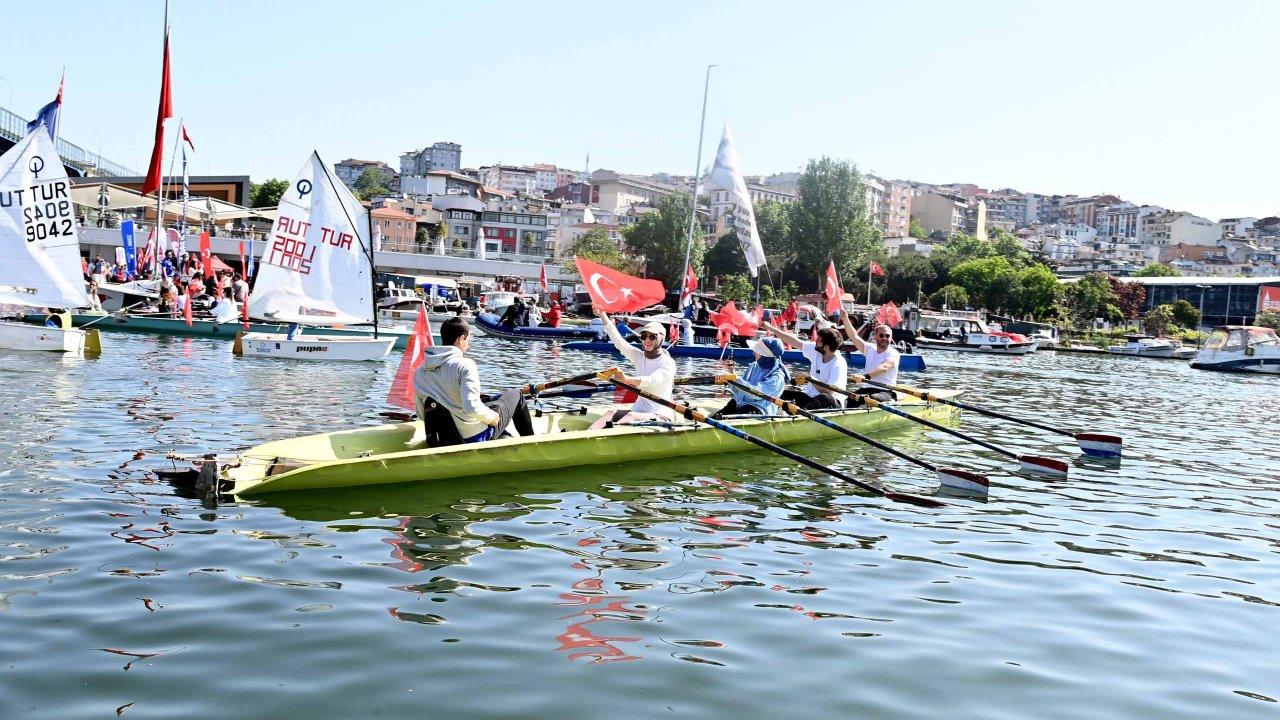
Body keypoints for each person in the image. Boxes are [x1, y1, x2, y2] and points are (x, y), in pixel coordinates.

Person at [413, 317, 534, 445]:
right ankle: (533, 445)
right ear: (461, 339)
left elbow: (422, 413)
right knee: (516, 395)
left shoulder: (420, 371)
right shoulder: (465, 365)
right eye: (468, 339)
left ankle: (504, 436)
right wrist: (493, 418)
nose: (468, 344)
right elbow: (471, 407)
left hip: (440, 438)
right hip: (472, 438)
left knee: (492, 403)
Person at [594, 309, 676, 424]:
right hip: (638, 410)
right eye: (644, 336)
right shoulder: (639, 356)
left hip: (661, 414)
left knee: (629, 417)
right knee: (610, 413)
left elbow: (651, 381)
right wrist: (602, 314)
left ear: (660, 338)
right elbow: (618, 341)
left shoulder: (667, 363)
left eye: (652, 337)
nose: (647, 340)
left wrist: (625, 379)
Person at [764, 320, 846, 410]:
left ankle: (799, 415)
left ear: (826, 347)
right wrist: (770, 328)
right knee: (782, 392)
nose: (815, 341)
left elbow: (830, 392)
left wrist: (809, 378)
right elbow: (794, 341)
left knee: (824, 397)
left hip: (831, 403)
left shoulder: (838, 364)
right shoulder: (816, 351)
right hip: (810, 398)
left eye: (818, 341)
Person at [712, 336, 788, 418]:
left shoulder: (777, 376)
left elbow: (757, 394)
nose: (754, 352)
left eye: (757, 351)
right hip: (740, 403)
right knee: (717, 416)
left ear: (765, 354)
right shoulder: (754, 365)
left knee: (742, 411)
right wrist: (731, 372)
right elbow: (740, 391)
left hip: (758, 409)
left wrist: (736, 379)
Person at [840, 311, 899, 403]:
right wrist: (845, 319)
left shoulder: (893, 353)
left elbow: (885, 367)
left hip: (886, 391)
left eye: (887, 336)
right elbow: (854, 336)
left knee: (869, 399)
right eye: (881, 335)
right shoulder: (870, 349)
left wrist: (865, 377)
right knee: (849, 399)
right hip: (866, 388)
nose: (884, 338)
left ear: (891, 338)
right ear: (875, 336)